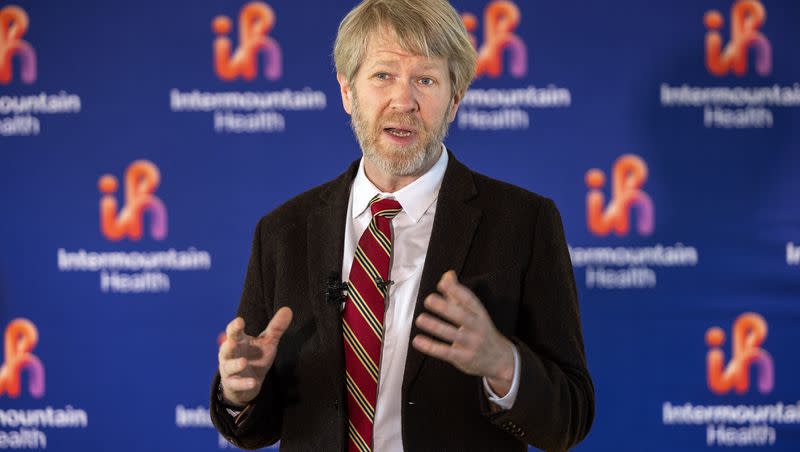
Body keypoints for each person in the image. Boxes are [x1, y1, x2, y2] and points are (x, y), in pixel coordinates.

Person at [210, 0, 594, 451]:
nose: (404, 100)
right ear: (347, 92)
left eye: (426, 80)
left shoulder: (523, 222)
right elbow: (258, 426)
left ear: (454, 100)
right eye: (383, 75)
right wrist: (241, 393)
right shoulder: (282, 231)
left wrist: (503, 364)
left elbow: (570, 417)